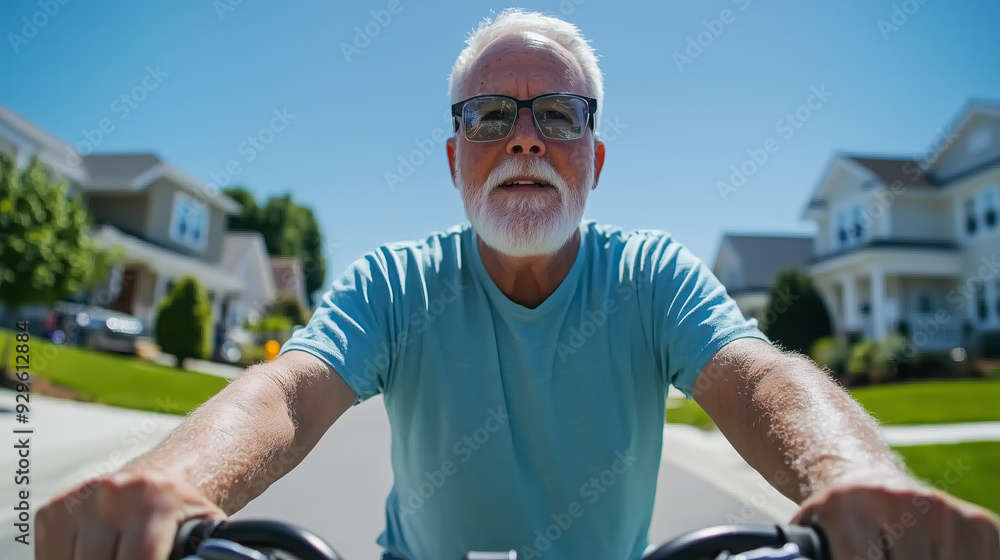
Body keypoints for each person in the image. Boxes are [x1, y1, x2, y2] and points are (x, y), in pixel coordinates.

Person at [36, 9, 999, 560]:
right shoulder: (396, 283)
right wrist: (175, 482)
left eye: (558, 115)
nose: (526, 136)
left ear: (596, 157)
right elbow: (287, 390)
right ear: (456, 159)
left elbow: (760, 376)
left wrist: (856, 476)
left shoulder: (651, 274)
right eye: (494, 114)